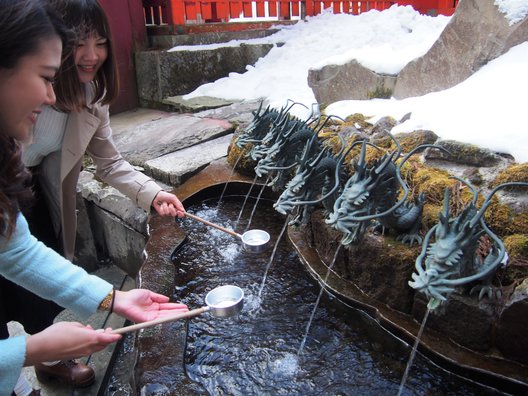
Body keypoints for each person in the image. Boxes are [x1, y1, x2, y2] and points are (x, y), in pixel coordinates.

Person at [0, 1, 188, 394]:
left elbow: (16, 252)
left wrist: (111, 299)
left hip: (33, 196)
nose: (51, 96)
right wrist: (26, 350)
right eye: (45, 75)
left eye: (100, 43)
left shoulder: (89, 99)